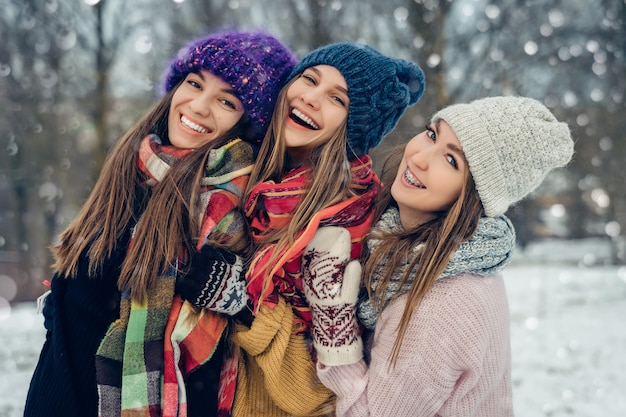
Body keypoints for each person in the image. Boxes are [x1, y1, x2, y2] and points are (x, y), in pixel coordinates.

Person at [24, 31, 296, 417]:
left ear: (248, 125)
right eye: (194, 83)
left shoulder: (242, 212)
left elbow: (271, 317)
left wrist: (237, 298)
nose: (199, 106)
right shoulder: (130, 173)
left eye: (226, 101)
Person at [301, 96, 575, 416]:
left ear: (473, 196)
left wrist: (333, 325)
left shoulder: (443, 301)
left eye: (451, 160)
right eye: (432, 134)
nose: (420, 157)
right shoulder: (416, 256)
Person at [221, 42, 426, 416]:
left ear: (353, 128)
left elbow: (319, 397)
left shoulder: (350, 225)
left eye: (337, 99)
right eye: (309, 79)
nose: (311, 98)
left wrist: (244, 308)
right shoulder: (237, 177)